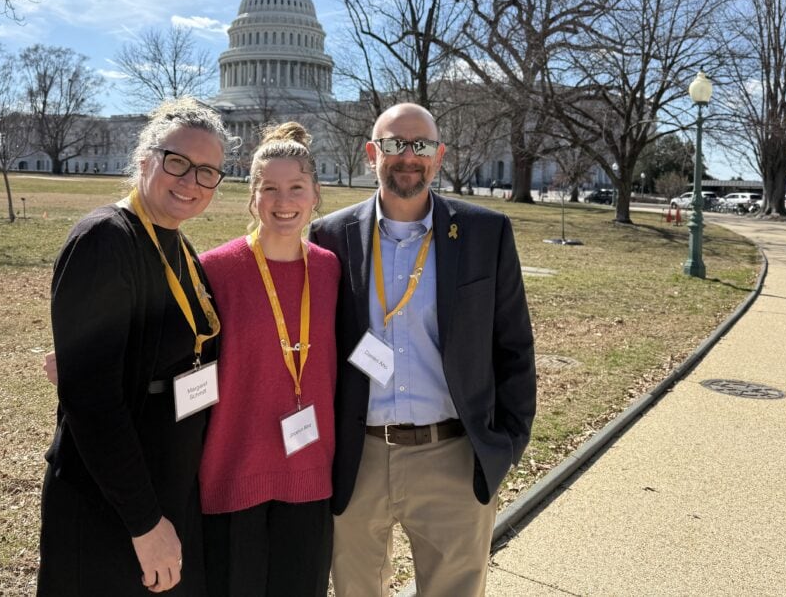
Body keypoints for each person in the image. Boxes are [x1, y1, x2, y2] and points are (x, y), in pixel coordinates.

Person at [308, 102, 536, 597]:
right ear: (372, 153)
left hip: (452, 455)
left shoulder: (484, 233)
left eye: (421, 146)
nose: (407, 156)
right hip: (358, 456)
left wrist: (508, 442)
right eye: (393, 144)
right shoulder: (330, 236)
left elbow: (514, 344)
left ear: (439, 155)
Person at [37, 98, 230, 596]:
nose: (190, 182)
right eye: (177, 162)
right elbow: (95, 403)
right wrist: (145, 523)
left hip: (167, 479)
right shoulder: (105, 239)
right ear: (145, 159)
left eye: (207, 172)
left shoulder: (180, 246)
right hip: (113, 500)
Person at [197, 122, 339, 597]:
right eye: (270, 188)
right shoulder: (216, 268)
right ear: (252, 196)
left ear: (315, 194)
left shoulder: (329, 268)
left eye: (296, 187)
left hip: (310, 470)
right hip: (233, 466)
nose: (284, 201)